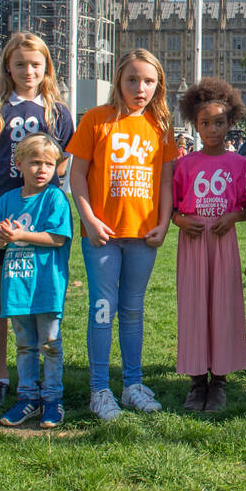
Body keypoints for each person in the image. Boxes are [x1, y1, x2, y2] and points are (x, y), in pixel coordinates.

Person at [0, 31, 74, 408]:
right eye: (20, 64)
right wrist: (4, 209)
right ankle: (0, 376)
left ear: (46, 69)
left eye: (36, 64)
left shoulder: (58, 113)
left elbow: (59, 164)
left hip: (40, 223)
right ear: (8, 67)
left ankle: (43, 378)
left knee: (40, 297)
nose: (28, 71)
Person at [66, 48, 176, 421]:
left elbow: (165, 181)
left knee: (132, 310)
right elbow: (76, 175)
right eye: (132, 79)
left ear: (158, 84)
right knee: (102, 309)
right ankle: (99, 389)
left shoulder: (160, 125)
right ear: (118, 81)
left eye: (148, 81)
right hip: (102, 234)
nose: (140, 88)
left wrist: (164, 221)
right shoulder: (97, 120)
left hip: (143, 234)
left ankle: (132, 385)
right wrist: (89, 219)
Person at [172, 78, 246, 412]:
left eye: (219, 122)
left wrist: (233, 217)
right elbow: (173, 206)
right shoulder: (184, 165)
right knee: (194, 308)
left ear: (229, 123)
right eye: (205, 123)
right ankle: (195, 382)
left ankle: (219, 380)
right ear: (195, 124)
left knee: (222, 306)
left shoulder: (243, 165)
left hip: (223, 242)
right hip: (192, 243)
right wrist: (179, 220)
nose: (212, 129)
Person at [0, 134, 73, 429]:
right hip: (17, 287)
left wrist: (20, 235)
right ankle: (27, 398)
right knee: (25, 345)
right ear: (19, 165)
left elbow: (57, 237)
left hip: (47, 287)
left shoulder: (55, 198)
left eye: (49, 164)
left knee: (50, 343)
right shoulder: (7, 200)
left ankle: (52, 399)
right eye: (35, 163)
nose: (42, 169)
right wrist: (1, 236)